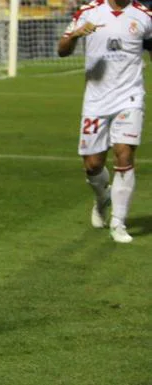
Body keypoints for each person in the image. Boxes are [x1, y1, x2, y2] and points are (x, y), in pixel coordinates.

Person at [57, 0, 152, 243]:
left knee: (125, 155)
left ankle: (118, 222)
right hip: (96, 102)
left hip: (130, 98)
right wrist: (76, 35)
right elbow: (62, 49)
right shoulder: (88, 12)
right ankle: (102, 199)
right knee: (92, 165)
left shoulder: (144, 15)